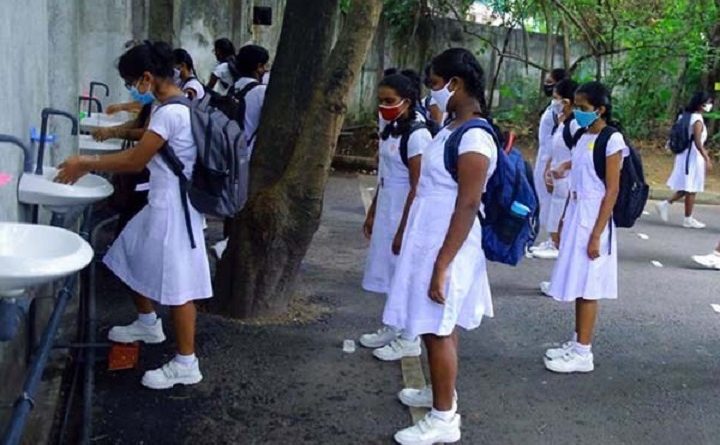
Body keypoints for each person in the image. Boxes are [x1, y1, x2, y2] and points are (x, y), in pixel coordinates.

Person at [55, 41, 212, 390]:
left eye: (131, 82)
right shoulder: (170, 106)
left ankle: (187, 363)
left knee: (179, 289)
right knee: (124, 256)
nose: (131, 89)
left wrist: (86, 162)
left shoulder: (171, 112)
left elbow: (135, 160)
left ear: (147, 77)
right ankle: (148, 323)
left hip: (173, 211)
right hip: (162, 203)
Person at [383, 48, 496, 445]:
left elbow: (467, 204)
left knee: (438, 328)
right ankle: (439, 392)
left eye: (434, 85)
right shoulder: (452, 127)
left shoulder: (475, 137)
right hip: (432, 239)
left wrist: (442, 265)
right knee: (437, 326)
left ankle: (444, 418)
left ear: (455, 84)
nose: (431, 92)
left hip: (448, 246)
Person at [543, 81, 628, 374]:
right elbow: (577, 179)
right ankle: (577, 340)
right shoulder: (581, 136)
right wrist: (564, 217)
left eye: (583, 107)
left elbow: (612, 190)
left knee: (589, 286)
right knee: (579, 282)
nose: (577, 112)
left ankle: (584, 352)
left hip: (594, 215)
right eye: (576, 106)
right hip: (577, 211)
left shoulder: (612, 139)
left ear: (600, 109)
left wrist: (596, 234)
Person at [359, 70, 432, 360]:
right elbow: (385, 176)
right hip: (388, 210)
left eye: (390, 101)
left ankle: (410, 337)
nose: (384, 106)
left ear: (407, 101)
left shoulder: (417, 135)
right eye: (381, 101)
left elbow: (418, 186)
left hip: (405, 212)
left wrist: (404, 229)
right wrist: (373, 212)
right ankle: (393, 325)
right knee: (391, 272)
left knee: (407, 274)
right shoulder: (392, 129)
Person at [533, 79, 579, 261]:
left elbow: (581, 154)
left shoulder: (575, 124)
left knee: (562, 212)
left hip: (566, 177)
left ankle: (558, 243)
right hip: (556, 174)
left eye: (556, 98)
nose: (554, 102)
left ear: (566, 101)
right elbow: (554, 146)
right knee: (554, 210)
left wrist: (564, 166)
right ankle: (553, 240)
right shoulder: (562, 121)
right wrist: (548, 168)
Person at [656, 92, 714, 228]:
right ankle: (688, 218)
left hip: (683, 155)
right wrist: (706, 157)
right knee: (691, 188)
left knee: (687, 186)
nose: (709, 105)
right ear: (701, 104)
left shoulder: (684, 116)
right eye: (708, 102)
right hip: (692, 157)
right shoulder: (697, 120)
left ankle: (665, 204)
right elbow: (698, 142)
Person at [532, 68, 568, 255]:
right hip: (545, 153)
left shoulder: (561, 112)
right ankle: (551, 238)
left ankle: (555, 240)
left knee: (553, 200)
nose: (546, 86)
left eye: (550, 83)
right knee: (544, 198)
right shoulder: (552, 108)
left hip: (553, 157)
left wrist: (550, 164)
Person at [232, 44, 270, 153]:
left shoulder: (234, 87)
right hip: (249, 152)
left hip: (232, 150)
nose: (265, 70)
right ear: (259, 66)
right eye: (264, 66)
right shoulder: (261, 91)